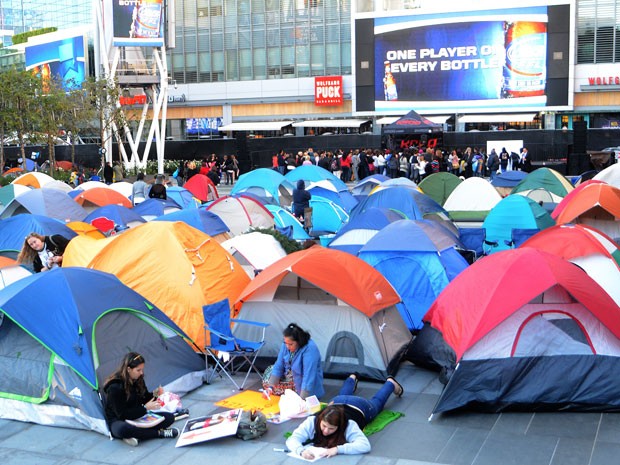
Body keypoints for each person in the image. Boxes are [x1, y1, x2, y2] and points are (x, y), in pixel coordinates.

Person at [285, 374, 403, 459]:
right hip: (338, 401)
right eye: (324, 426)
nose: (326, 431)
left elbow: (364, 445)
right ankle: (352, 378)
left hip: (360, 406)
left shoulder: (349, 424)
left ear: (339, 425)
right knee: (342, 395)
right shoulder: (313, 420)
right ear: (321, 418)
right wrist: (301, 451)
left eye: (331, 428)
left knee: (377, 402)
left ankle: (390, 383)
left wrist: (338, 449)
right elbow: (293, 439)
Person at [103, 352, 178, 447]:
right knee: (124, 429)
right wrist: (145, 408)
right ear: (129, 369)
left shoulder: (138, 379)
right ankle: (159, 433)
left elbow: (145, 398)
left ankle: (137, 435)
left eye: (142, 369)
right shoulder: (115, 387)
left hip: (137, 416)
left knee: (169, 417)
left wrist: (156, 395)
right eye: (138, 370)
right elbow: (122, 414)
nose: (141, 373)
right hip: (119, 420)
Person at [263, 323, 324, 399]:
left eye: (291, 344)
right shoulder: (285, 344)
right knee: (268, 377)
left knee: (301, 400)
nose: (287, 347)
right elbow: (279, 365)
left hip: (303, 381)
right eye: (286, 343)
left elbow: (308, 376)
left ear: (299, 341)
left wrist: (302, 399)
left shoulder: (310, 349)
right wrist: (270, 387)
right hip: (291, 375)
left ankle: (300, 396)